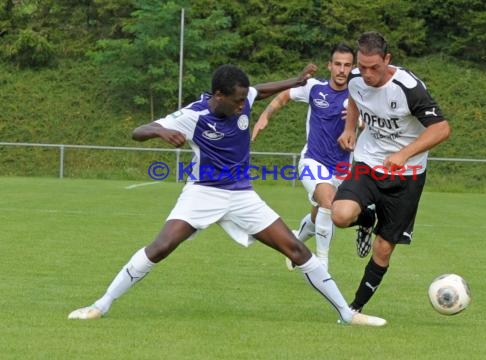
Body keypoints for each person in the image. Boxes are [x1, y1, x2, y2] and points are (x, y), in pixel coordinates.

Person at [67, 63, 386, 326]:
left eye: (242, 100)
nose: (240, 106)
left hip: (241, 196)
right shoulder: (194, 115)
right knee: (161, 246)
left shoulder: (244, 97)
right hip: (202, 193)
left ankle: (346, 313)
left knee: (295, 249)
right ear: (217, 95)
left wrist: (295, 80)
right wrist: (160, 131)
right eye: (234, 101)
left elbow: (261, 90)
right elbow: (138, 131)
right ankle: (102, 304)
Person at [331, 31, 451, 313]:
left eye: (375, 67)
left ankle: (354, 310)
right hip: (368, 162)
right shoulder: (356, 78)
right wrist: (350, 129)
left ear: (387, 59)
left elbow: (442, 128)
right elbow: (354, 99)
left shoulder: (409, 88)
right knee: (340, 214)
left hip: (407, 175)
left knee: (384, 248)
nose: (368, 74)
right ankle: (367, 218)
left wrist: (404, 154)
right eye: (363, 66)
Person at [252, 43, 363, 271]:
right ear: (329, 66)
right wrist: (265, 115)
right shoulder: (314, 88)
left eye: (347, 65)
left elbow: (374, 123)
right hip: (313, 161)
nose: (342, 70)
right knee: (328, 202)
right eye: (338, 64)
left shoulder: (359, 96)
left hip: (342, 168)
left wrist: (359, 121)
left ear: (353, 68)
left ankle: (296, 244)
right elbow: (284, 96)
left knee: (319, 215)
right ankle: (320, 264)